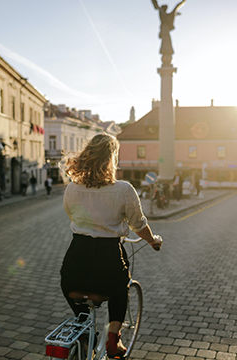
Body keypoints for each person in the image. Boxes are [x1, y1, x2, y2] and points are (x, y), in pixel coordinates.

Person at [60, 133, 162, 358]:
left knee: (68, 285)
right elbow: (138, 224)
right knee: (120, 287)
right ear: (112, 158)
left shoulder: (72, 188)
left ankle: (84, 327)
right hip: (108, 259)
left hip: (75, 261)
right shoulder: (123, 189)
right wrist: (152, 240)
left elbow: (72, 216)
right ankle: (114, 340)